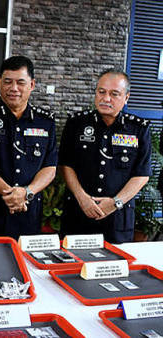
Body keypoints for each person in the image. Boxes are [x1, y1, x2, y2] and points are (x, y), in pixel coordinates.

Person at [0, 56, 57, 239]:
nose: (13, 88)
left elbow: (50, 167)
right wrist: (11, 194)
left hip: (27, 212)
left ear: (32, 85)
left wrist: (26, 193)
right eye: (8, 82)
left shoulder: (46, 121)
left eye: (20, 82)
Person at [59, 69, 151, 243]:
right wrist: (83, 198)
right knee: (70, 265)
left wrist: (115, 203)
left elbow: (142, 174)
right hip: (78, 213)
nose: (106, 98)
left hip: (118, 217)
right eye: (101, 92)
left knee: (116, 266)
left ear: (126, 98)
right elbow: (65, 165)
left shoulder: (139, 129)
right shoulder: (76, 123)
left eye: (114, 94)